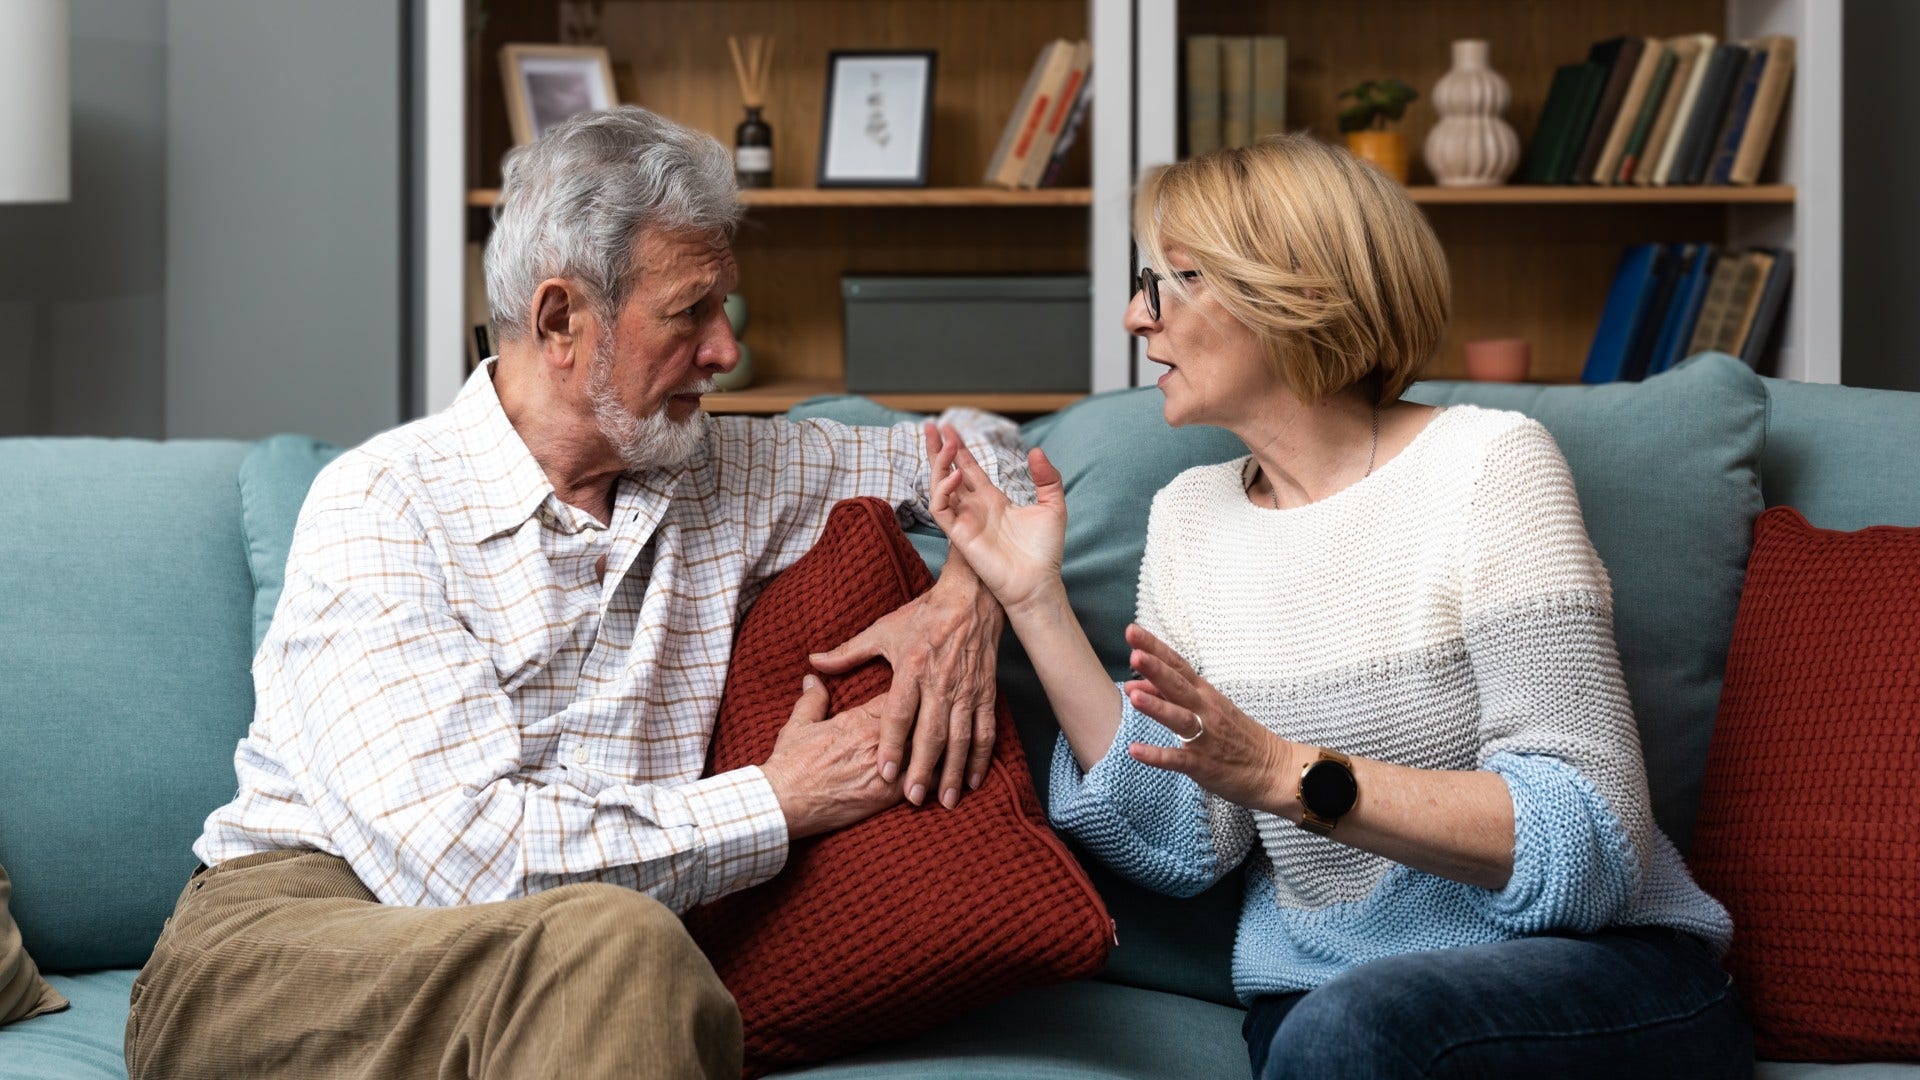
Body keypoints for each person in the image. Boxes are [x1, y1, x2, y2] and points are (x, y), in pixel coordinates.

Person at [123, 106, 1030, 1080]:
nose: (725, 351)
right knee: (629, 951)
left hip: (572, 969)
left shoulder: (727, 470)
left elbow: (990, 448)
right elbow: (465, 868)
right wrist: (779, 799)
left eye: (726, 308)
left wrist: (966, 598)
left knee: (621, 958)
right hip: (293, 939)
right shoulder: (387, 504)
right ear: (562, 322)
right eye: (691, 312)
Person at [927, 134, 1752, 1079]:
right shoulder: (1190, 516)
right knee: (1337, 1030)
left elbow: (1590, 838)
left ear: (1291, 291)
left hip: (1588, 976)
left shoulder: (1489, 468)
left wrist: (1287, 772)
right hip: (1319, 998)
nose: (1132, 315)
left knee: (1352, 1032)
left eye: (1167, 282)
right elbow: (1185, 839)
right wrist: (1035, 601)